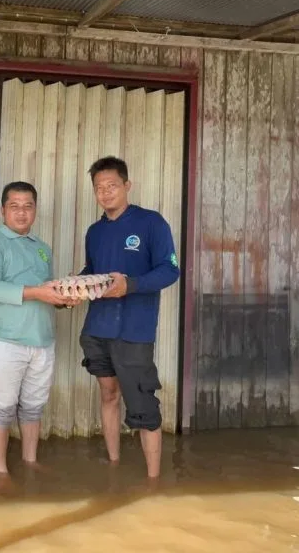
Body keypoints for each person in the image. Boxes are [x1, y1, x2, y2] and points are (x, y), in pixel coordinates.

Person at [78, 156, 180, 479]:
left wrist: (130, 285)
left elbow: (170, 270)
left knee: (143, 406)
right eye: (99, 188)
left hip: (134, 331)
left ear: (127, 186)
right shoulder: (94, 232)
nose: (106, 193)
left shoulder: (151, 223)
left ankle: (152, 483)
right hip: (97, 329)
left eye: (112, 186)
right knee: (108, 393)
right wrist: (70, 289)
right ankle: (113, 464)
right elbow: (91, 274)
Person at [0, 182, 77, 477]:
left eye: (28, 206)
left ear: (35, 210)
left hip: (43, 341)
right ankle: (1, 471)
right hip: (6, 341)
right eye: (15, 206)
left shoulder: (42, 248)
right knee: (2, 408)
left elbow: (45, 293)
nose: (21, 212)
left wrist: (63, 298)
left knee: (33, 406)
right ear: (3, 209)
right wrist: (39, 293)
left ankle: (30, 462)